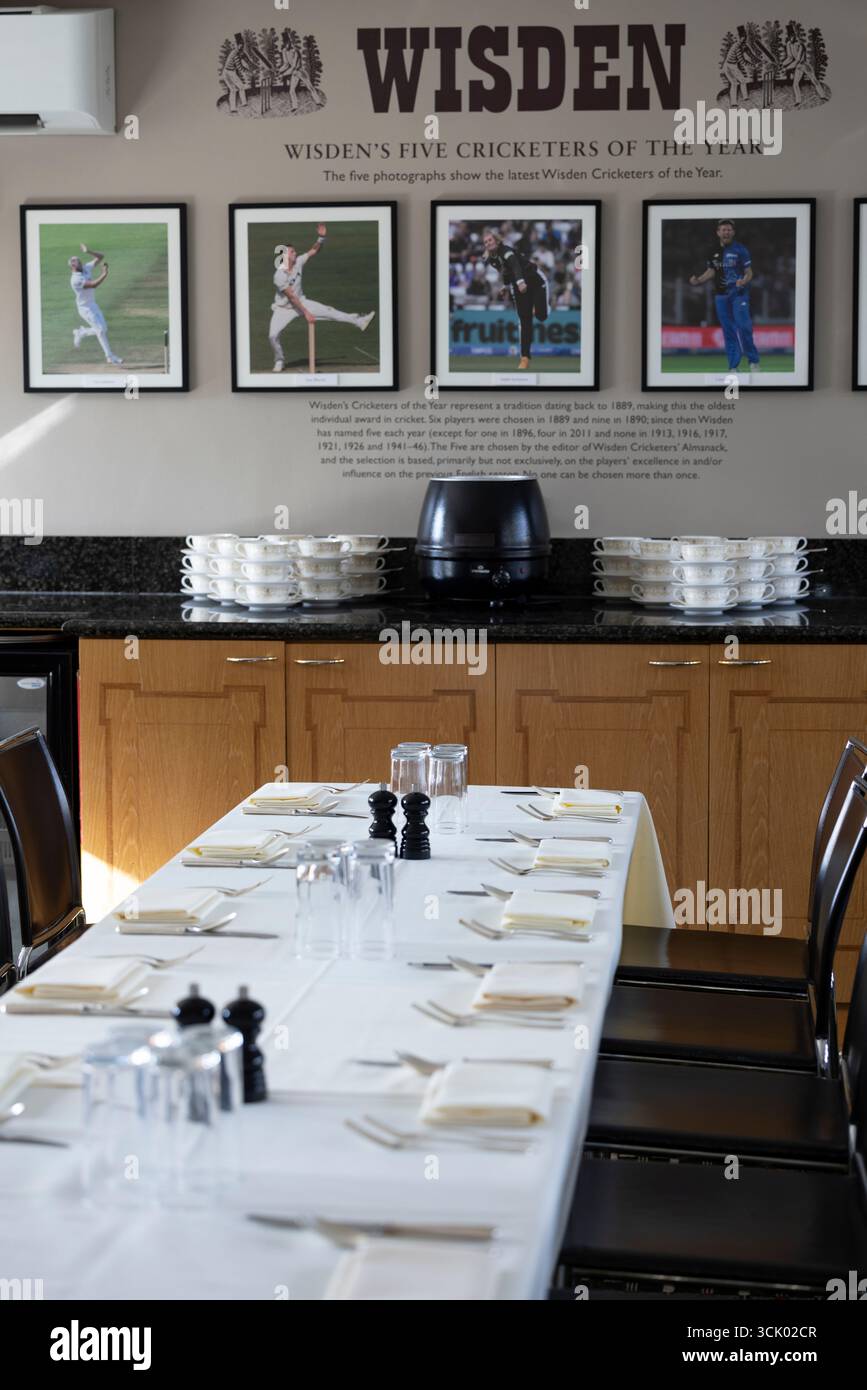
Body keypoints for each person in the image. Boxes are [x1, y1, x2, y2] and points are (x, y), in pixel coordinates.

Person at [268, 226, 375, 372]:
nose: (296, 253)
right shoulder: (279, 276)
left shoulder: (298, 262)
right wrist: (306, 313)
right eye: (292, 251)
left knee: (329, 311)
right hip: (283, 309)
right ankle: (279, 360)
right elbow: (291, 297)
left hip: (302, 301)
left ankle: (359, 321)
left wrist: (321, 238)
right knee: (273, 335)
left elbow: (313, 251)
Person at [688, 218, 760, 373]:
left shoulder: (741, 249)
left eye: (729, 229)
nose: (726, 232)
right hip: (721, 296)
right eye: (723, 229)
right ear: (718, 232)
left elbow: (749, 273)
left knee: (743, 326)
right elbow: (712, 271)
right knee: (728, 331)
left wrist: (744, 281)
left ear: (733, 232)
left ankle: (753, 361)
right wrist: (698, 280)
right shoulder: (712, 251)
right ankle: (733, 366)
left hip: (739, 294)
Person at [482, 228, 550, 370]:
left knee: (541, 316)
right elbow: (506, 272)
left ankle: (540, 307)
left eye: (490, 240)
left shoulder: (506, 250)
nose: (488, 243)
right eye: (485, 242)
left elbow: (515, 265)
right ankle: (524, 358)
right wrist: (505, 285)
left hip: (535, 281)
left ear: (497, 240)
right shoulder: (490, 259)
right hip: (518, 286)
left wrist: (520, 281)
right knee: (524, 321)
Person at [69, 243, 123, 365]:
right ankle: (110, 357)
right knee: (100, 329)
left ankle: (81, 332)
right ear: (73, 267)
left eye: (79, 260)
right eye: (76, 262)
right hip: (85, 309)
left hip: (93, 305)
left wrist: (88, 251)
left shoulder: (86, 268)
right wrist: (104, 274)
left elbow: (100, 257)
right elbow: (93, 285)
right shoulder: (75, 280)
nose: (79, 262)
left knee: (103, 329)